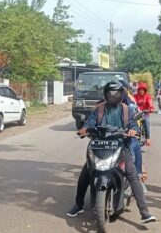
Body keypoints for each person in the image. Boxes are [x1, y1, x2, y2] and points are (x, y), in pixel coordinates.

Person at [67, 82, 156, 223]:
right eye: (111, 93)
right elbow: (89, 122)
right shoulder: (99, 109)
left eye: (117, 93)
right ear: (106, 94)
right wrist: (84, 129)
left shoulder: (127, 110)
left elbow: (133, 124)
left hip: (121, 145)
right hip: (99, 145)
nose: (114, 96)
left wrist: (133, 130)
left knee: (132, 174)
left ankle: (144, 212)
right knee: (85, 173)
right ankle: (78, 205)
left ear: (122, 94)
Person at [134, 82, 154, 146]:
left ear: (145, 90)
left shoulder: (148, 97)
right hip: (136, 113)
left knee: (146, 121)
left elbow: (150, 104)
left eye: (143, 90)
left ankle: (148, 138)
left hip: (145, 114)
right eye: (140, 89)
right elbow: (131, 103)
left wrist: (150, 108)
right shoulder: (135, 96)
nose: (141, 91)